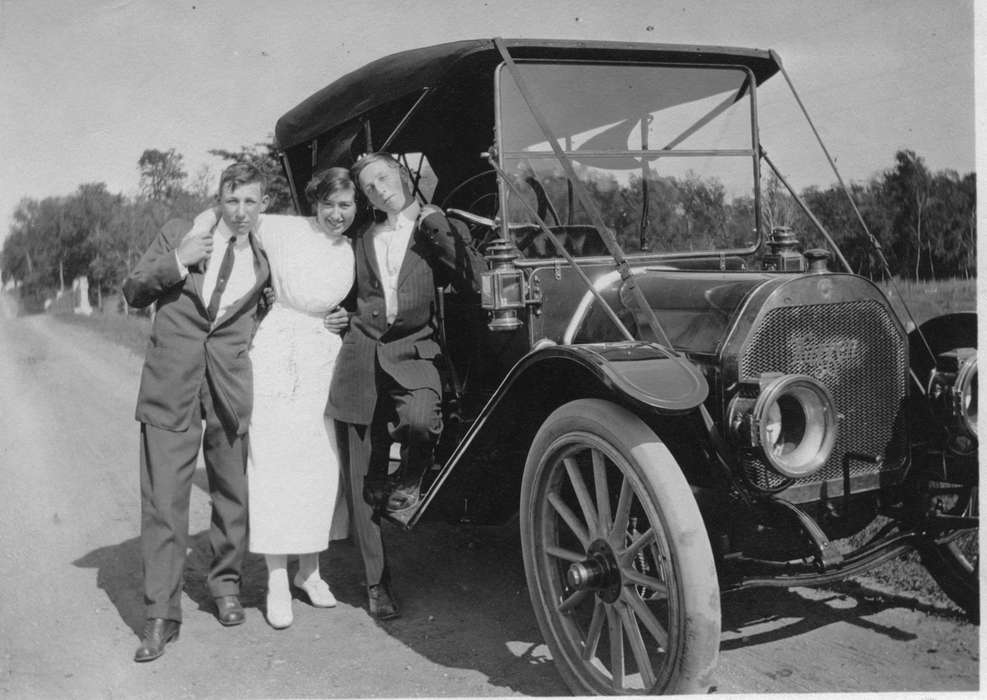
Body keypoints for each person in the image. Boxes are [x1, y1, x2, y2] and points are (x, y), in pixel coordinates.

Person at [123, 162, 272, 662]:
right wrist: (178, 261)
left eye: (251, 201)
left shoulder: (266, 257)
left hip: (228, 389)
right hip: (171, 385)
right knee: (164, 502)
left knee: (233, 493)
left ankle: (226, 585)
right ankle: (161, 615)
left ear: (263, 204)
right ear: (219, 199)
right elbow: (134, 289)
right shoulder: (179, 234)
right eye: (233, 201)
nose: (241, 211)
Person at [326, 153, 484, 620]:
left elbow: (474, 278)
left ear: (401, 174)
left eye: (381, 177)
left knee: (420, 421)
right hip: (358, 358)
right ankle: (377, 583)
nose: (376, 189)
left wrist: (433, 219)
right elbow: (329, 279)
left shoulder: (438, 226)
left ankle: (409, 483)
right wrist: (336, 313)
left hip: (414, 353)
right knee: (360, 481)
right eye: (366, 186)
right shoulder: (359, 237)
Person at [231, 168, 356, 629]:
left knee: (321, 463)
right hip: (279, 348)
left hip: (323, 352)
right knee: (274, 462)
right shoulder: (285, 228)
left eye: (346, 205)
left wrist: (343, 317)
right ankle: (277, 581)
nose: (336, 214)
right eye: (329, 204)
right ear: (314, 203)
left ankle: (311, 571)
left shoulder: (349, 247)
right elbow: (234, 216)